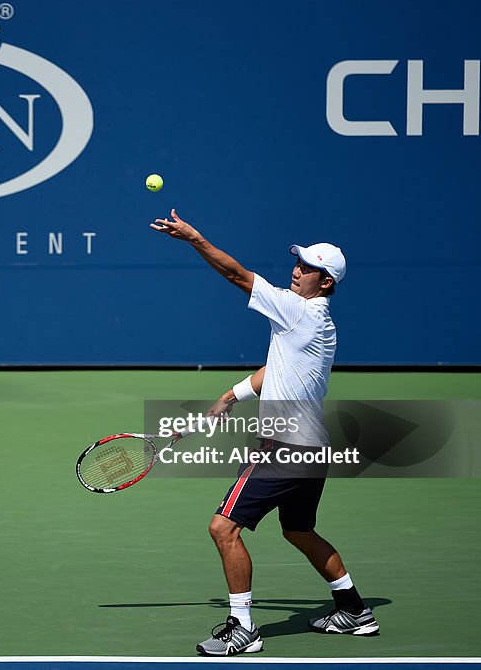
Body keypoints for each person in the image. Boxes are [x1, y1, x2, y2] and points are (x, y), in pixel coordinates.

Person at [150, 209, 379, 656]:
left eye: (309, 269)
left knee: (224, 528)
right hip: (314, 450)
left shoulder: (299, 311)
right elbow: (280, 368)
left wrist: (195, 238)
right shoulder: (318, 327)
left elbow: (236, 274)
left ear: (325, 282)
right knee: (298, 531)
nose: (297, 271)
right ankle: (354, 610)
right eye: (299, 262)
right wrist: (230, 396)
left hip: (285, 448)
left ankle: (243, 629)